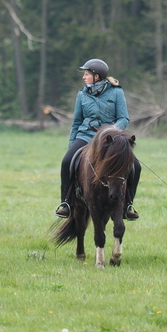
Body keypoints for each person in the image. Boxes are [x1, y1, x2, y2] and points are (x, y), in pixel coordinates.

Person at [55, 58, 141, 220]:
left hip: (110, 140)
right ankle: (66, 203)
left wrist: (111, 130)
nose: (83, 77)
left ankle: (128, 204)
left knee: (135, 166)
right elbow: (77, 122)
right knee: (67, 161)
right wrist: (72, 144)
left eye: (86, 74)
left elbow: (124, 119)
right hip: (85, 135)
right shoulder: (82, 94)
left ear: (97, 76)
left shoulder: (116, 92)